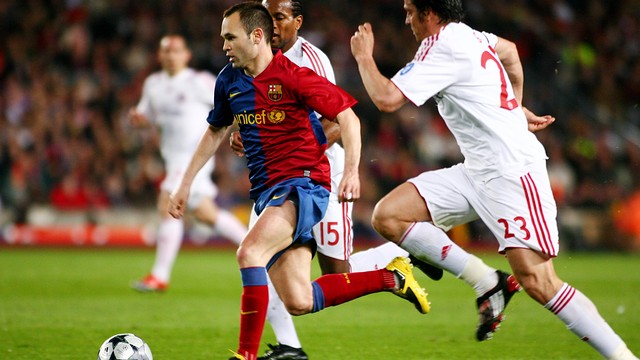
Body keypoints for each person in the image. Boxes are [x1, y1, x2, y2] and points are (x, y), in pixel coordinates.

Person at [350, 0, 638, 358]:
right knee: (389, 215)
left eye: (410, 10)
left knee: (539, 281)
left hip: (512, 171)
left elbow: (386, 99)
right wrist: (511, 107)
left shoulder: (444, 47)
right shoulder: (469, 35)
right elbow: (511, 53)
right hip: (476, 171)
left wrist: (364, 57)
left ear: (431, 13)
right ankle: (486, 281)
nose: (406, 19)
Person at [168, 3, 430, 359]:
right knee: (299, 300)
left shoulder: (294, 74)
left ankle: (245, 356)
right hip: (268, 193)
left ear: (256, 36)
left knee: (249, 252)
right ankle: (391, 277)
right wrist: (184, 185)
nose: (224, 45)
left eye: (230, 37)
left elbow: (347, 118)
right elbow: (215, 130)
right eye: (223, 38)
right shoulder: (229, 80)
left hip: (303, 185)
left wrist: (351, 171)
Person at [129, 35, 248, 292]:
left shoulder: (200, 81)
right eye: (166, 51)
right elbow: (146, 116)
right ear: (160, 56)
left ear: (186, 55)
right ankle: (254, 247)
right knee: (206, 214)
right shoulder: (153, 84)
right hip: (173, 160)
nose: (171, 55)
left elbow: (232, 104)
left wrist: (241, 128)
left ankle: (160, 276)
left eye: (176, 51)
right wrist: (140, 121)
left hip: (196, 158)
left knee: (167, 204)